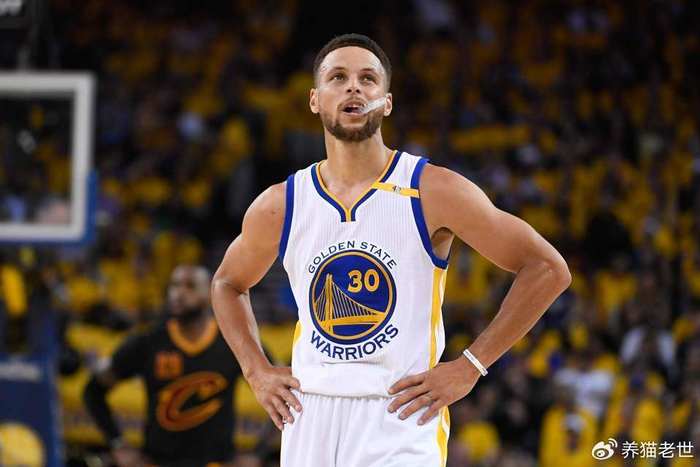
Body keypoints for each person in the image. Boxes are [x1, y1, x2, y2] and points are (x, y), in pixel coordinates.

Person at [211, 33, 571, 467]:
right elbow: (227, 283)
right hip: (309, 415)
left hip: (400, 414)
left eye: (368, 78)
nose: (353, 86)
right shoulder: (281, 203)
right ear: (314, 100)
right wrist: (256, 370)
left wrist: (471, 365)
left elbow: (547, 268)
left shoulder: (433, 189)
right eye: (338, 77)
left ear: (386, 102)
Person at [83, 265, 246, 467]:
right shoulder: (147, 341)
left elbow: (279, 388)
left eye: (190, 286)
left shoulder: (233, 340)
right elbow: (93, 391)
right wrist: (118, 444)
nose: (178, 293)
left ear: (210, 294)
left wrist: (258, 453)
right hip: (158, 461)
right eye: (174, 285)